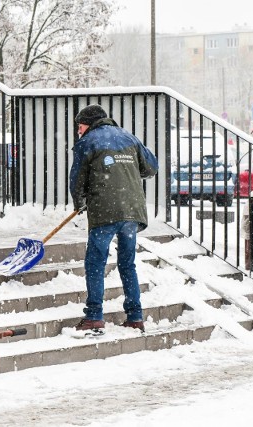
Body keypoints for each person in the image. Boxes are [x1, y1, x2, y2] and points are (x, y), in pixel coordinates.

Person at [69, 104, 158, 333]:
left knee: (95, 263)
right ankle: (135, 316)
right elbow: (151, 168)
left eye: (80, 127)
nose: (79, 131)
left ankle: (94, 316)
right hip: (132, 212)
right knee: (127, 264)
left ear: (88, 124)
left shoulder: (88, 142)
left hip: (105, 212)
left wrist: (80, 203)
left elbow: (77, 179)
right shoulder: (129, 137)